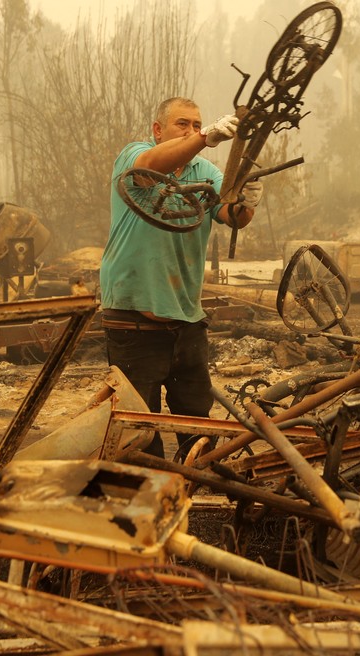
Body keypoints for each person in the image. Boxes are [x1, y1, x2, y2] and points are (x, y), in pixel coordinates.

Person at [100, 97, 263, 458]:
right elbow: (148, 168)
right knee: (138, 429)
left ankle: (188, 488)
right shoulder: (135, 155)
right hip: (134, 318)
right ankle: (144, 500)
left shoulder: (206, 173)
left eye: (196, 124)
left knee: (197, 422)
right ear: (158, 131)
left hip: (186, 319)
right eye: (182, 124)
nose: (191, 130)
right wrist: (205, 136)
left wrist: (247, 200)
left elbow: (231, 215)